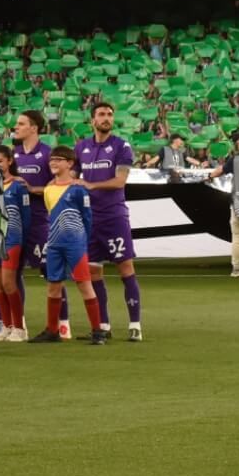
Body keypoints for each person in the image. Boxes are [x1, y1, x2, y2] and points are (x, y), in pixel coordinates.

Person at [74, 103, 142, 342]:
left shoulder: (121, 146)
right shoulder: (81, 147)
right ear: (92, 120)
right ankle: (103, 324)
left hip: (114, 216)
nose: (106, 118)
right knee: (93, 271)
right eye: (101, 114)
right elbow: (72, 177)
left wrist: (90, 185)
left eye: (110, 115)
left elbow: (120, 181)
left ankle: (135, 324)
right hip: (90, 218)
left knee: (125, 267)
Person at [30, 146, 107, 345]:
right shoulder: (48, 189)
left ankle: (98, 331)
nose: (53, 163)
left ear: (70, 163)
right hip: (54, 244)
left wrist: (81, 241)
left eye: (58, 159)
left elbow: (87, 219)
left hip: (75, 245)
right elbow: (51, 215)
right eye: (51, 160)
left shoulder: (79, 190)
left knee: (84, 284)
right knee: (53, 286)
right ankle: (52, 330)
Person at [10, 109, 67, 336]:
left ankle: (63, 322)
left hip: (41, 221)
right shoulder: (13, 154)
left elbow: (59, 185)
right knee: (14, 273)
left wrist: (33, 189)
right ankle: (19, 323)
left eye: (21, 123)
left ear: (34, 128)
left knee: (51, 273)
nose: (16, 127)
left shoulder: (47, 154)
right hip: (16, 222)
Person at [0, 146, 28, 341]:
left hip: (12, 238)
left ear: (10, 161)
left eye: (0, 161)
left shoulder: (19, 186)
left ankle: (20, 328)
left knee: (8, 283)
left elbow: (26, 216)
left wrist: (24, 239)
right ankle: (6, 325)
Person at [206, 134, 239, 277]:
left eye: (238, 141)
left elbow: (219, 171)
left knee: (238, 237)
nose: (236, 143)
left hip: (238, 203)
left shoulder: (235, 160)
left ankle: (237, 269)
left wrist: (209, 177)